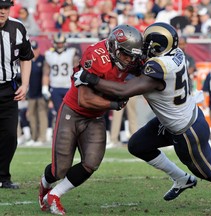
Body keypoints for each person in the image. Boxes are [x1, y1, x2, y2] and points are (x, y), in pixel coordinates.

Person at [74, 22, 211, 212]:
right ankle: (181, 179)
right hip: (172, 120)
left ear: (157, 47)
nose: (144, 46)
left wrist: (90, 78)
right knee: (137, 145)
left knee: (209, 172)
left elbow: (124, 90)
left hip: (186, 129)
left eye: (147, 43)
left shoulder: (159, 67)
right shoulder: (175, 53)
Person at [38, 24, 143, 215]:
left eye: (132, 56)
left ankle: (55, 195)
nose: (129, 60)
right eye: (125, 54)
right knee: (59, 169)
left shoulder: (133, 59)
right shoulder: (96, 56)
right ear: (113, 47)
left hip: (95, 117)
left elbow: (145, 75)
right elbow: (84, 99)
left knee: (91, 162)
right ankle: (45, 184)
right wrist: (114, 104)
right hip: (73, 111)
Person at [0, 0, 34, 189]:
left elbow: (26, 57)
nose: (2, 11)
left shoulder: (17, 28)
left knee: (10, 136)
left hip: (7, 90)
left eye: (5, 7)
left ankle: (3, 177)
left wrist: (26, 84)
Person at [42, 32, 80, 114]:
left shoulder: (71, 53)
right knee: (59, 112)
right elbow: (46, 73)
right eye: (58, 43)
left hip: (68, 86)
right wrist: (44, 87)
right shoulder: (49, 54)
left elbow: (77, 70)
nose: (60, 45)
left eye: (61, 43)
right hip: (55, 87)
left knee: (71, 112)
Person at [26, 40, 48, 146]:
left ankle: (42, 137)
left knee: (42, 115)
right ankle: (33, 137)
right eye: (32, 49)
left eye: (35, 49)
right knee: (31, 116)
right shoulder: (27, 60)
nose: (33, 51)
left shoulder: (43, 60)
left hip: (41, 94)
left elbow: (47, 76)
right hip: (31, 94)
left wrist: (46, 91)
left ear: (38, 49)